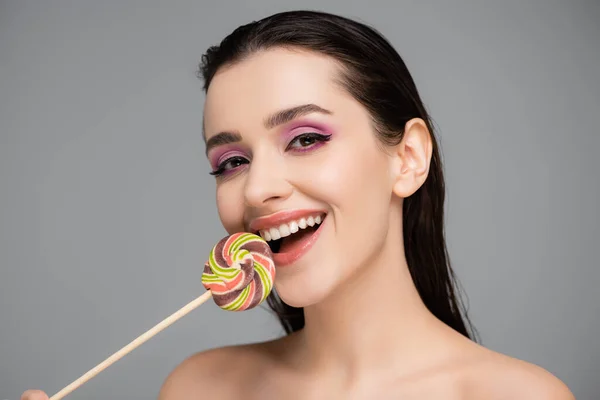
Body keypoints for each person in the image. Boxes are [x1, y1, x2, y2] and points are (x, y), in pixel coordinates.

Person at [22, 10, 574, 400]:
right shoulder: (198, 389)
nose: (258, 188)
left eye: (305, 139)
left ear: (407, 158)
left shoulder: (519, 396)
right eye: (231, 162)